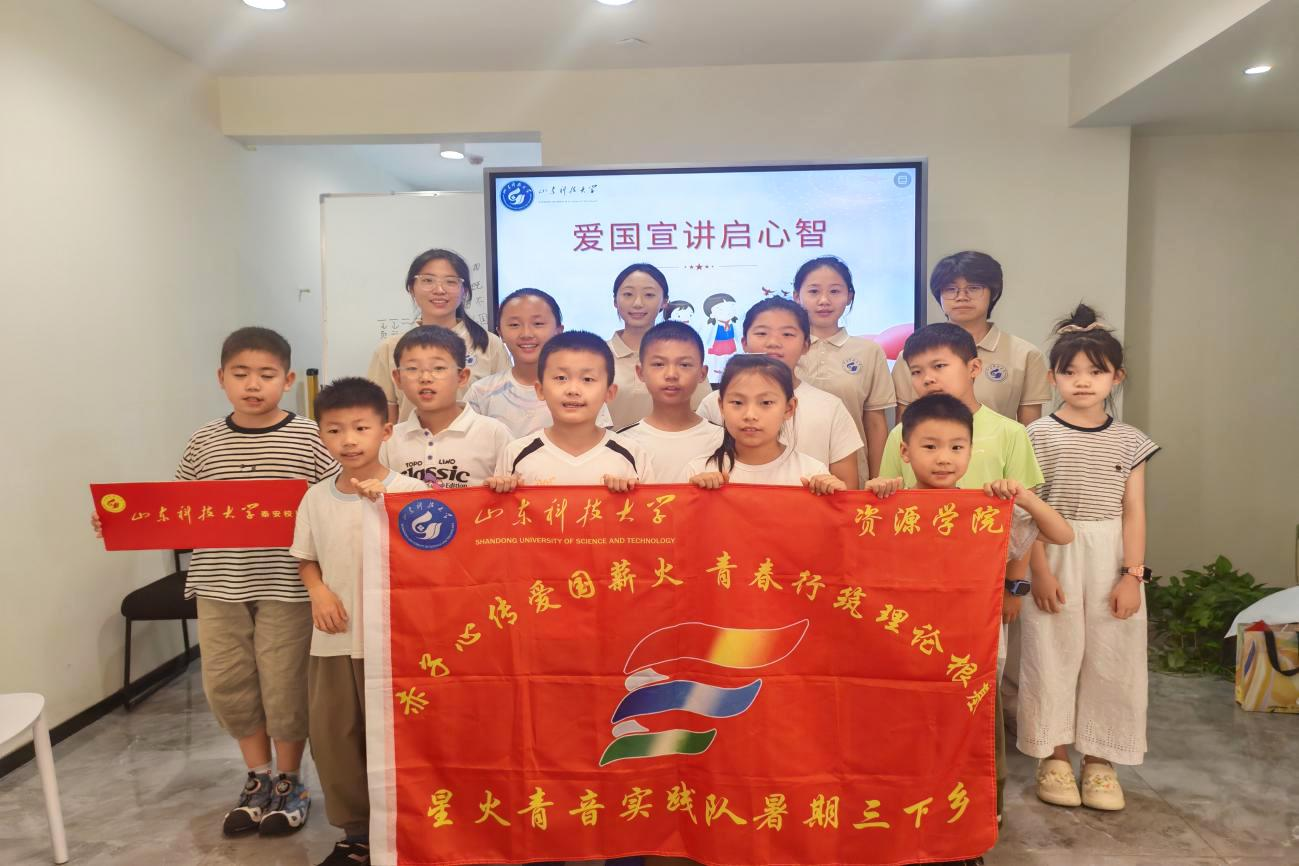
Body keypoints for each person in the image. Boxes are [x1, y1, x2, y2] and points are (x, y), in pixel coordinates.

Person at [89, 328, 337, 838]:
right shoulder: (204, 440)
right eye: (241, 374)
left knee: (286, 685)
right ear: (221, 378)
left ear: (288, 380)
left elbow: (335, 499)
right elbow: (177, 508)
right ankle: (257, 777)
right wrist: (123, 521)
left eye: (266, 375)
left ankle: (290, 780)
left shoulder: (310, 436)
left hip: (287, 586)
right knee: (227, 683)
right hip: (218, 584)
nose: (253, 385)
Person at [870, 392, 1072, 866]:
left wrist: (1022, 496)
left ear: (971, 450)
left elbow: (1061, 534)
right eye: (930, 446)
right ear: (904, 452)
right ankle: (897, 833)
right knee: (904, 747)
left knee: (970, 748)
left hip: (968, 660)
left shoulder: (986, 508)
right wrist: (872, 493)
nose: (944, 458)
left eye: (957, 447)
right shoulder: (889, 504)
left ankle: (966, 838)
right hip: (900, 658)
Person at [1017, 304, 1158, 812]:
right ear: (1052, 377)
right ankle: (1052, 755)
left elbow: (1134, 511)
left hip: (1112, 555)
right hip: (1053, 552)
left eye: (1096, 371)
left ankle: (1101, 759)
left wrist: (1132, 575)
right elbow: (1028, 509)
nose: (1082, 381)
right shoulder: (1037, 435)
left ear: (1116, 377)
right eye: (1070, 371)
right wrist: (1038, 571)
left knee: (1114, 656)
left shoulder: (1131, 441)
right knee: (1050, 653)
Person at [290, 377, 428, 866]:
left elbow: (433, 564)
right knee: (336, 739)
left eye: (361, 428)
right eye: (334, 430)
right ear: (321, 436)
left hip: (393, 645)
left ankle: (408, 830)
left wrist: (384, 506)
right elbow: (305, 558)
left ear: (385, 431)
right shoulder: (315, 497)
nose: (348, 440)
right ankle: (356, 833)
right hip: (334, 640)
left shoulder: (411, 493)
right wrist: (318, 591)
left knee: (400, 739)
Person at [697, 297, 863, 488]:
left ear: (806, 345)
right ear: (744, 342)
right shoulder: (713, 403)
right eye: (761, 333)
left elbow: (846, 488)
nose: (773, 342)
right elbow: (702, 468)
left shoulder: (830, 407)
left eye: (787, 334)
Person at [892, 251, 1050, 425]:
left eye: (973, 288)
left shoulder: (1025, 355)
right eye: (950, 289)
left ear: (993, 293)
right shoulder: (910, 356)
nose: (961, 297)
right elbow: (903, 426)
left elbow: (1028, 430)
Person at [488, 331, 653, 493]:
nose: (573, 390)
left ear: (609, 393)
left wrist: (632, 495)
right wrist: (501, 491)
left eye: (587, 379)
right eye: (561, 378)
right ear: (540, 390)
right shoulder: (516, 453)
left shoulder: (632, 454)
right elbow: (499, 509)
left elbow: (652, 508)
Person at [366, 248, 509, 423]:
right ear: (412, 288)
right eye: (428, 280)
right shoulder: (390, 348)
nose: (439, 290)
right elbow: (382, 422)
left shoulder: (489, 344)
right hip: (411, 440)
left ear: (464, 290)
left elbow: (504, 409)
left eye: (450, 282)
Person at [793, 255, 896, 479]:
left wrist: (877, 479)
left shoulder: (869, 351)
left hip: (850, 474)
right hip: (793, 472)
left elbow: (875, 423)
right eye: (813, 291)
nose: (824, 300)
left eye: (834, 291)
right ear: (797, 297)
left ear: (849, 296)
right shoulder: (784, 349)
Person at [687, 354, 844, 494]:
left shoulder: (812, 473)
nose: (750, 415)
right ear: (721, 406)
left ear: (789, 408)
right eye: (737, 402)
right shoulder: (700, 471)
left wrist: (835, 497)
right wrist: (696, 494)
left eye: (766, 402)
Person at [466, 288, 612, 436]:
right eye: (514, 325)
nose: (526, 334)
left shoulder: (583, 389)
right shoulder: (481, 392)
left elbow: (599, 443)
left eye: (538, 323)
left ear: (558, 330)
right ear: (500, 333)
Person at [379, 325, 510, 487]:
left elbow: (518, 491)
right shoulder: (389, 441)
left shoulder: (494, 433)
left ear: (462, 377)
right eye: (412, 369)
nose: (425, 378)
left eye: (439, 368)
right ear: (398, 378)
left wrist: (507, 484)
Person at [606, 263, 711, 428]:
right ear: (615, 301)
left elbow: (703, 413)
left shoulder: (685, 355)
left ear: (665, 302)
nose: (638, 303)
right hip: (610, 445)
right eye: (628, 294)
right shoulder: (597, 356)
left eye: (649, 295)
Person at [617, 321, 724, 483]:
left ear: (702, 374)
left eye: (684, 365)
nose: (671, 375)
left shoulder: (723, 440)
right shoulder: (622, 443)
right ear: (641, 372)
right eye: (659, 364)